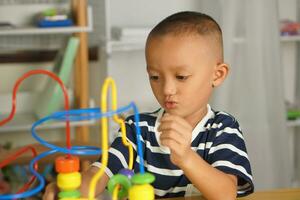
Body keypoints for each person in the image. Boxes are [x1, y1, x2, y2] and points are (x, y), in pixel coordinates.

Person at [43, 11, 254, 200]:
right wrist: (69, 189)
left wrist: (186, 157)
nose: (167, 89)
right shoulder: (136, 128)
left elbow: (226, 194)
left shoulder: (223, 129)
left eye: (181, 76)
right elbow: (101, 173)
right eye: (155, 77)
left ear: (217, 75)